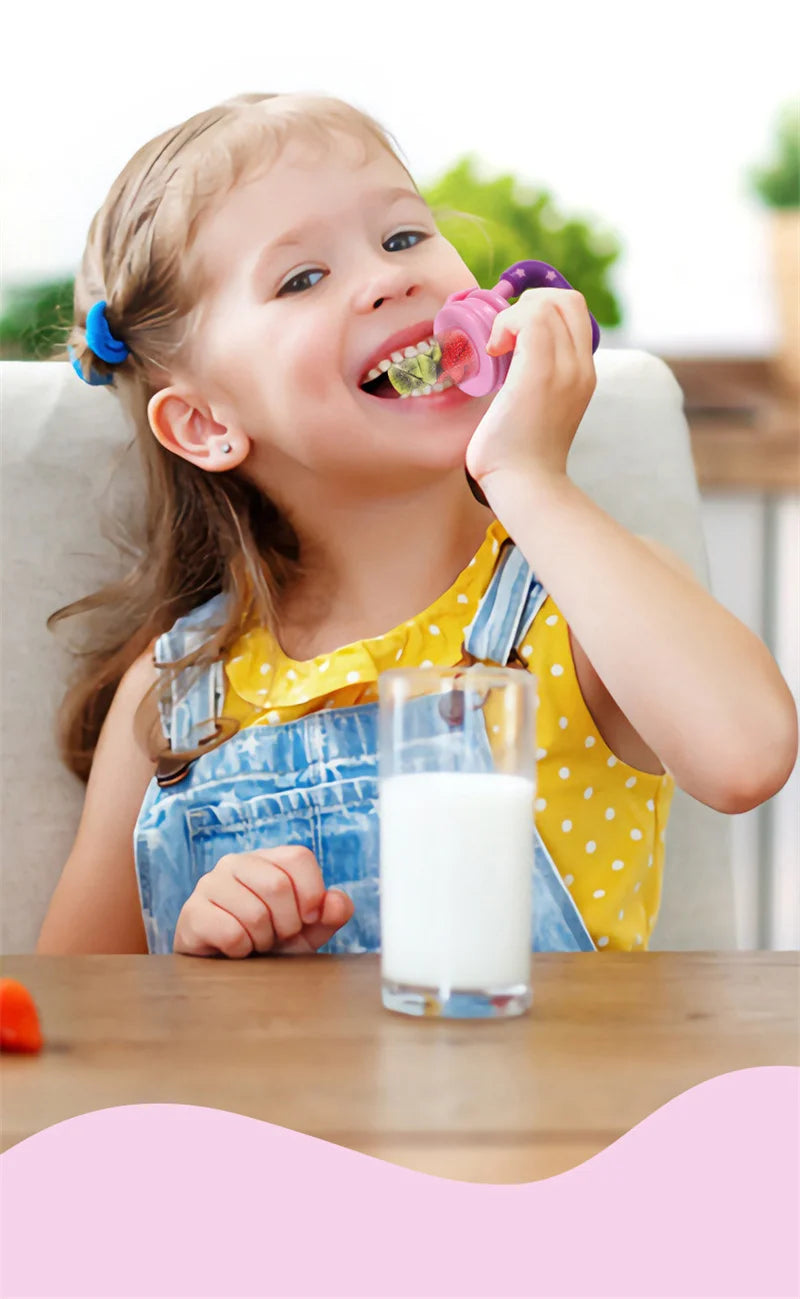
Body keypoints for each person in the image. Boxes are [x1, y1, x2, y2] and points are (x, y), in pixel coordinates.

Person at [37, 92, 798, 958]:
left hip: (568, 1098)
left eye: (402, 237)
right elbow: (74, 1014)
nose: (391, 278)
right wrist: (195, 960)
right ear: (206, 425)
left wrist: (528, 477)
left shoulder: (583, 601)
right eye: (302, 277)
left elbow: (748, 759)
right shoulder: (177, 696)